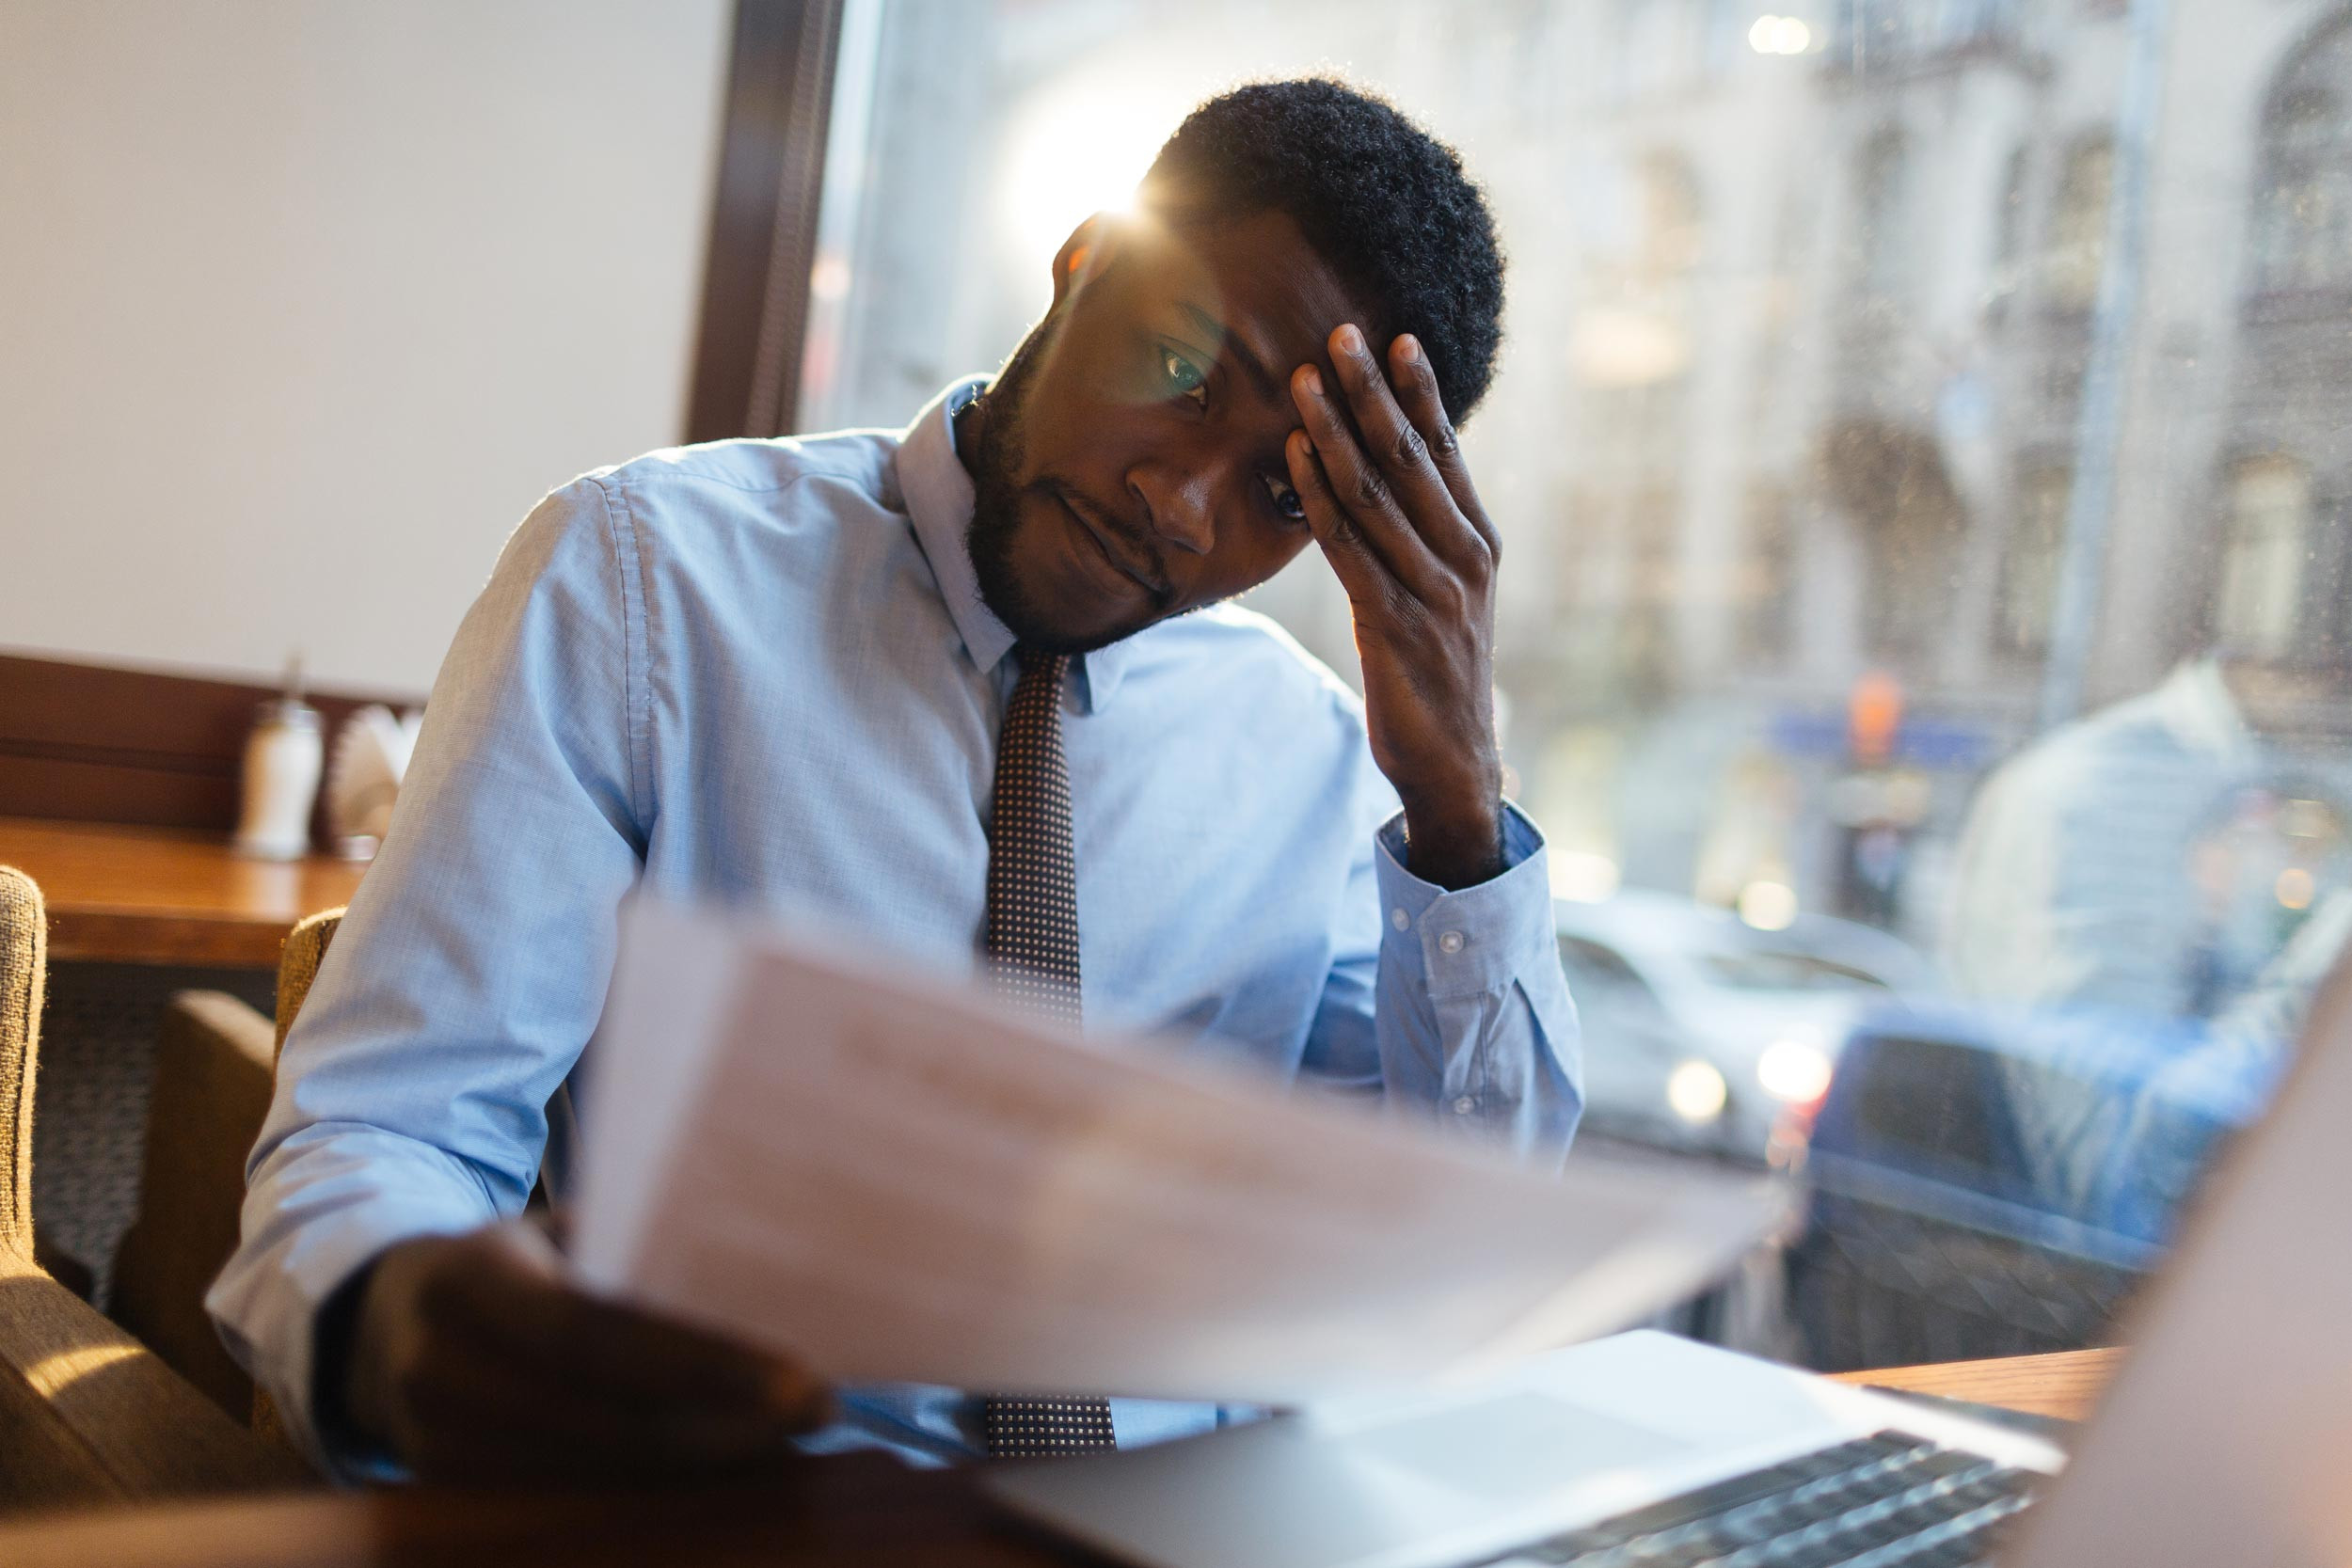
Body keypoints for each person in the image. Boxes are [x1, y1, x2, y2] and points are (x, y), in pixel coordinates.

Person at [209, 77, 1582, 1481]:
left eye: (1286, 493)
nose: (1180, 507)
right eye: (1179, 368)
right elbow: (387, 1130)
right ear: (1085, 262)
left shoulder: (1322, 760)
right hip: (758, 1506)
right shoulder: (645, 583)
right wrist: (393, 1316)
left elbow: (1459, 1242)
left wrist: (1460, 800)